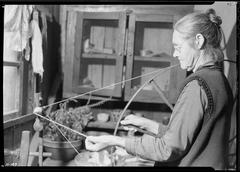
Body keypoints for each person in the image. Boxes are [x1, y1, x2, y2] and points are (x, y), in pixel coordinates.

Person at [85, 8, 234, 169]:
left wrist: (113, 140)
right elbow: (185, 136)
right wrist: (148, 124)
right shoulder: (220, 80)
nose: (175, 54)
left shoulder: (197, 86)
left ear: (198, 41)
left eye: (178, 47)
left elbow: (167, 148)